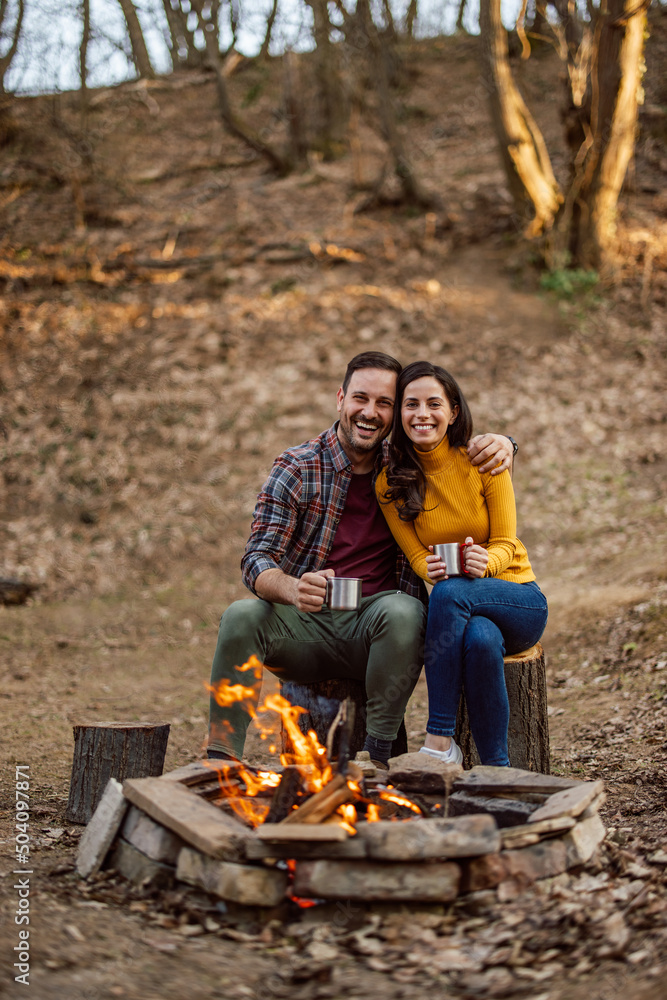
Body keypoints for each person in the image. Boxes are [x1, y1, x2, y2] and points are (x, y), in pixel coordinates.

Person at [207, 351, 515, 768]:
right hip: (305, 626)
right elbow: (256, 558)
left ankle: (378, 754)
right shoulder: (297, 467)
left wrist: (507, 443)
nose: (370, 413)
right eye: (360, 398)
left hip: (380, 633)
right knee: (241, 616)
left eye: (384, 403)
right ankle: (221, 761)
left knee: (404, 610)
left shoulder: (406, 469)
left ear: (395, 414)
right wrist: (293, 588)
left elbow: (457, 458)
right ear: (340, 399)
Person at [376, 360, 548, 767]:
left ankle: (439, 739)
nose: (422, 414)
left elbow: (507, 540)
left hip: (518, 598)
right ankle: (497, 770)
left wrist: (486, 560)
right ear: (399, 414)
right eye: (410, 404)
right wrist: (425, 568)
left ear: (453, 411)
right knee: (482, 641)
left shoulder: (482, 460)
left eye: (433, 403)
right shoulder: (391, 481)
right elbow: (415, 552)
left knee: (451, 593)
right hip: (465, 613)